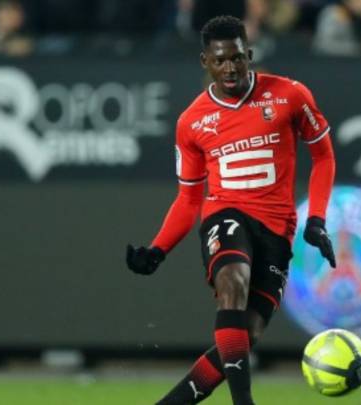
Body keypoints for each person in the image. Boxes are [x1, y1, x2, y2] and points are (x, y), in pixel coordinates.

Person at [125, 15, 337, 405]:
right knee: (232, 284)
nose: (230, 68)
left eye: (237, 58)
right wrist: (159, 249)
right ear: (204, 62)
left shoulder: (290, 95)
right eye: (220, 60)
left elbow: (323, 157)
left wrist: (318, 219)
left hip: (277, 230)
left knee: (245, 335)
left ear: (249, 55)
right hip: (226, 215)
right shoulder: (191, 122)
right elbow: (189, 198)